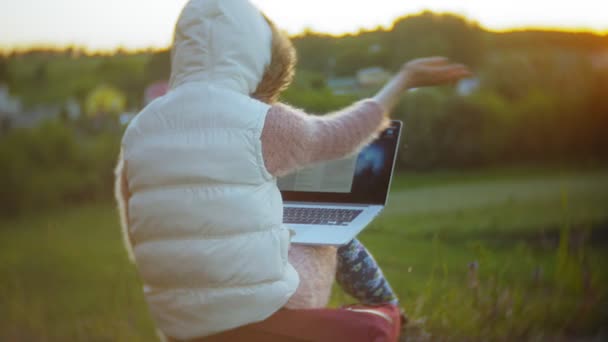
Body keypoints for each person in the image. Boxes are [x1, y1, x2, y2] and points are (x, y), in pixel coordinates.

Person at [114, 0, 471, 340]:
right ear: (254, 50)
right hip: (259, 317)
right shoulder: (257, 120)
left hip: (177, 322)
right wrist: (403, 80)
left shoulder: (140, 129)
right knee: (331, 236)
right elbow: (342, 137)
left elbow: (133, 226)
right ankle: (393, 315)